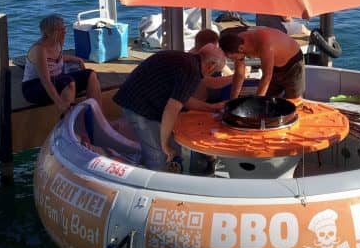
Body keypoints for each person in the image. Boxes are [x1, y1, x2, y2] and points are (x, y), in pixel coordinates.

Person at [113, 42, 226, 171]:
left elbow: (183, 99)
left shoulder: (187, 61)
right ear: (211, 66)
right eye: (215, 72)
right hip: (138, 106)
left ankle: (140, 167)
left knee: (161, 148)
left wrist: (211, 107)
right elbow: (172, 109)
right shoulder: (192, 70)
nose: (211, 75)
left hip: (139, 99)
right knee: (159, 156)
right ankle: (152, 187)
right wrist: (164, 144)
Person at [21, 13, 102, 114]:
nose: (65, 31)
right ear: (50, 32)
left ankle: (95, 115)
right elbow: (45, 80)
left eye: (64, 28)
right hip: (34, 87)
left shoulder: (58, 42)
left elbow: (57, 58)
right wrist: (59, 103)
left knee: (91, 74)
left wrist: (76, 59)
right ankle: (68, 121)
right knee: (68, 82)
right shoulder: (40, 49)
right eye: (61, 29)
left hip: (57, 79)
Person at [218, 26, 305, 100]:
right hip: (274, 66)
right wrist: (233, 100)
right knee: (268, 102)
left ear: (241, 49)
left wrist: (257, 104)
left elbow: (267, 76)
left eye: (233, 58)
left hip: (293, 64)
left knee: (294, 102)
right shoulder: (236, 43)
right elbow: (239, 75)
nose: (233, 60)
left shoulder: (264, 43)